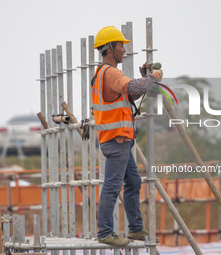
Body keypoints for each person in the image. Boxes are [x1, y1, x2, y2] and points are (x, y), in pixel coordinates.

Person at [92, 26, 163, 247]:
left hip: (119, 139)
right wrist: (155, 77)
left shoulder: (101, 73)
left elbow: (130, 91)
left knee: (132, 181)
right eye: (121, 45)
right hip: (117, 140)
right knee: (112, 187)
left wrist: (145, 80)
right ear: (110, 48)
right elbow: (133, 86)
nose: (124, 50)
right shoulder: (111, 73)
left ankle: (135, 228)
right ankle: (105, 231)